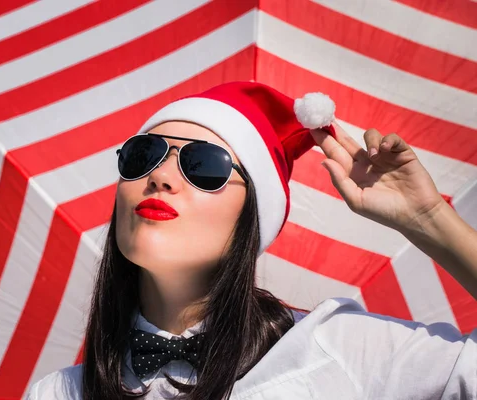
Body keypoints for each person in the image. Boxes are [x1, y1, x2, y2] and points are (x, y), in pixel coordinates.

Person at [26, 82, 477, 399]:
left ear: (253, 215)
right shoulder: (57, 393)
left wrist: (430, 220)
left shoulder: (334, 348)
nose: (160, 176)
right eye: (144, 155)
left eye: (204, 165)